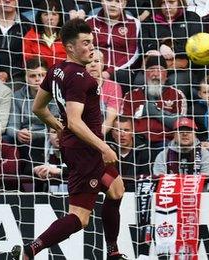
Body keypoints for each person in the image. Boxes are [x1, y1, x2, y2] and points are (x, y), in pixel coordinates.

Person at [11, 18, 127, 259]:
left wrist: (57, 126)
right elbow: (75, 120)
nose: (91, 48)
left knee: (116, 189)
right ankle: (29, 251)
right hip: (87, 151)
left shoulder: (55, 70)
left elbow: (38, 108)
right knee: (80, 217)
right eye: (85, 43)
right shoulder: (80, 78)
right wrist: (103, 146)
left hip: (77, 146)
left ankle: (114, 252)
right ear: (71, 47)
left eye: (92, 43)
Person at [5, 57, 59, 174]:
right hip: (23, 138)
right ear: (26, 78)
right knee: (7, 139)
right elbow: (11, 126)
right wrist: (17, 133)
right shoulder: (17, 96)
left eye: (41, 75)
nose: (37, 79)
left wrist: (33, 135)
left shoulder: (55, 96)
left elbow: (55, 128)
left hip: (46, 138)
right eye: (33, 76)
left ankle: (36, 175)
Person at [109, 117, 151, 192]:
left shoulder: (144, 151)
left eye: (126, 130)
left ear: (132, 132)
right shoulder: (107, 151)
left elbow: (145, 179)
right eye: (118, 130)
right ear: (112, 133)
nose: (122, 134)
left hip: (135, 194)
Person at [86, 49, 123, 135]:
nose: (93, 64)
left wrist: (95, 139)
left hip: (101, 134)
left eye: (97, 61)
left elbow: (109, 120)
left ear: (103, 64)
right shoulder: (75, 85)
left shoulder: (113, 87)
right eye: (89, 62)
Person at [22, 0, 67, 68]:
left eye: (54, 14)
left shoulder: (68, 37)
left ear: (60, 17)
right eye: (46, 14)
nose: (50, 18)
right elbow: (27, 64)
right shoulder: (30, 37)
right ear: (40, 17)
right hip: (40, 76)